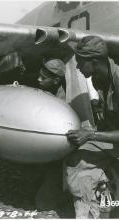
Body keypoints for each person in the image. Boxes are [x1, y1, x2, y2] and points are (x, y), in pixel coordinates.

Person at [66, 35, 119, 218]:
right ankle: (92, 212)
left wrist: (90, 135)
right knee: (78, 156)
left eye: (80, 62)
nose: (78, 67)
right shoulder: (99, 79)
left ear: (94, 61)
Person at [35, 59, 67, 212]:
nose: (38, 79)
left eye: (43, 77)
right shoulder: (48, 90)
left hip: (58, 153)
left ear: (56, 80)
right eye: (39, 75)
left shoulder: (63, 100)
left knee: (43, 204)